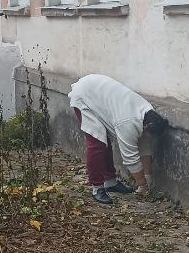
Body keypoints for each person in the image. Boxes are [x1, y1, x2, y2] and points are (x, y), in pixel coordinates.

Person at [68, 74, 169, 205]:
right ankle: (97, 188)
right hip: (85, 95)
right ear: (148, 126)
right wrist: (142, 185)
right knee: (97, 143)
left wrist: (148, 177)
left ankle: (110, 182)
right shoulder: (128, 123)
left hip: (98, 92)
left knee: (105, 142)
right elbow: (130, 159)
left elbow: (145, 147)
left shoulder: (148, 115)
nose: (148, 138)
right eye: (149, 134)